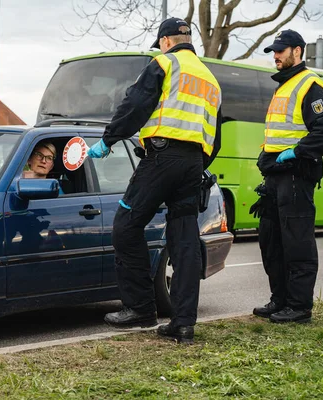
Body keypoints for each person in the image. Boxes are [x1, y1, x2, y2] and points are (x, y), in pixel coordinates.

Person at [87, 17, 223, 344]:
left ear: (165, 41)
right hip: (193, 163)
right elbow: (214, 136)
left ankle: (140, 308)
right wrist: (196, 162)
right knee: (185, 239)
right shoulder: (211, 79)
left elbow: (136, 104)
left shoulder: (164, 63)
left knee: (126, 224)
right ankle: (183, 323)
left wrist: (109, 139)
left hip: (162, 158)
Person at [250, 30, 323, 324]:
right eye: (274, 51)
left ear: (297, 51)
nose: (275, 55)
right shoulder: (284, 85)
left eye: (280, 50)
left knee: (297, 242)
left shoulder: (310, 85)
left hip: (296, 176)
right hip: (276, 176)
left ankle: (299, 307)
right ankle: (280, 300)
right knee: (271, 240)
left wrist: (296, 153)